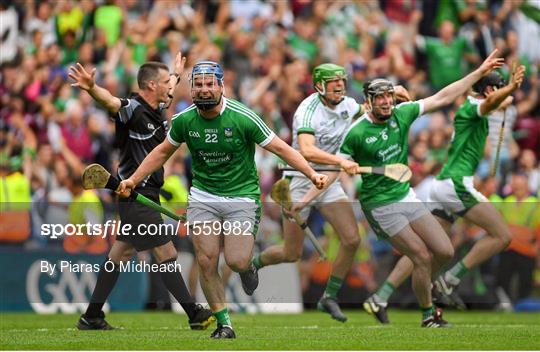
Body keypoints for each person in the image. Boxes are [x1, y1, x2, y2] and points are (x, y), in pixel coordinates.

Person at [116, 61, 328, 339]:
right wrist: (134, 179)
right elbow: (160, 153)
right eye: (199, 85)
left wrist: (311, 173)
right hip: (203, 196)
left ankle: (249, 267)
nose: (204, 90)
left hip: (242, 195)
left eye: (209, 84)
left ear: (220, 86)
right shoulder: (184, 120)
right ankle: (224, 322)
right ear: (192, 89)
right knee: (206, 260)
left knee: (237, 260)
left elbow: (281, 148)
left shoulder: (243, 117)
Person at [338, 50, 504, 327]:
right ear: (368, 102)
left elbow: (443, 96)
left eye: (388, 96)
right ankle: (428, 315)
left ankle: (389, 295)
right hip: (379, 204)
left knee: (445, 251)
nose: (386, 101)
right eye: (379, 97)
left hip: (405, 195)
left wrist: (478, 72)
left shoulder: (402, 113)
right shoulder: (356, 133)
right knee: (421, 256)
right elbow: (337, 165)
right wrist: (334, 176)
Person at [250, 63, 409, 323]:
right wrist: (340, 161)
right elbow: (307, 150)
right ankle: (254, 265)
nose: (340, 90)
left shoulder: (348, 105)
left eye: (342, 85)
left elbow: (373, 107)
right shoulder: (307, 111)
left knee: (351, 239)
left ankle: (329, 297)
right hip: (299, 180)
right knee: (292, 254)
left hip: (329, 181)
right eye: (334, 86)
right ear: (320, 86)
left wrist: (393, 93)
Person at [69, 53, 215, 331]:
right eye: (165, 83)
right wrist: (90, 88)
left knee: (119, 255)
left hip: (147, 195)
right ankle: (193, 313)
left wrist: (176, 73)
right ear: (150, 86)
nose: (170, 88)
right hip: (136, 194)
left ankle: (92, 316)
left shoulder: (156, 107)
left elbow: (170, 85)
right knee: (165, 252)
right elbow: (110, 101)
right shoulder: (132, 108)